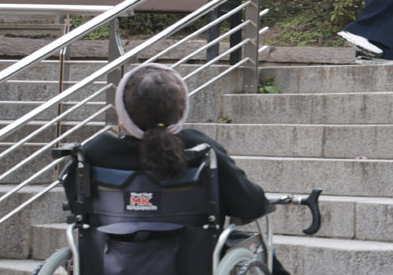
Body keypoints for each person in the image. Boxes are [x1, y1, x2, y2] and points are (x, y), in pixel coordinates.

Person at [82, 64, 271, 224]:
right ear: (180, 111)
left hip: (109, 258)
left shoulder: (96, 151)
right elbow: (250, 205)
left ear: (123, 115)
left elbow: (79, 203)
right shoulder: (200, 149)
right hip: (190, 258)